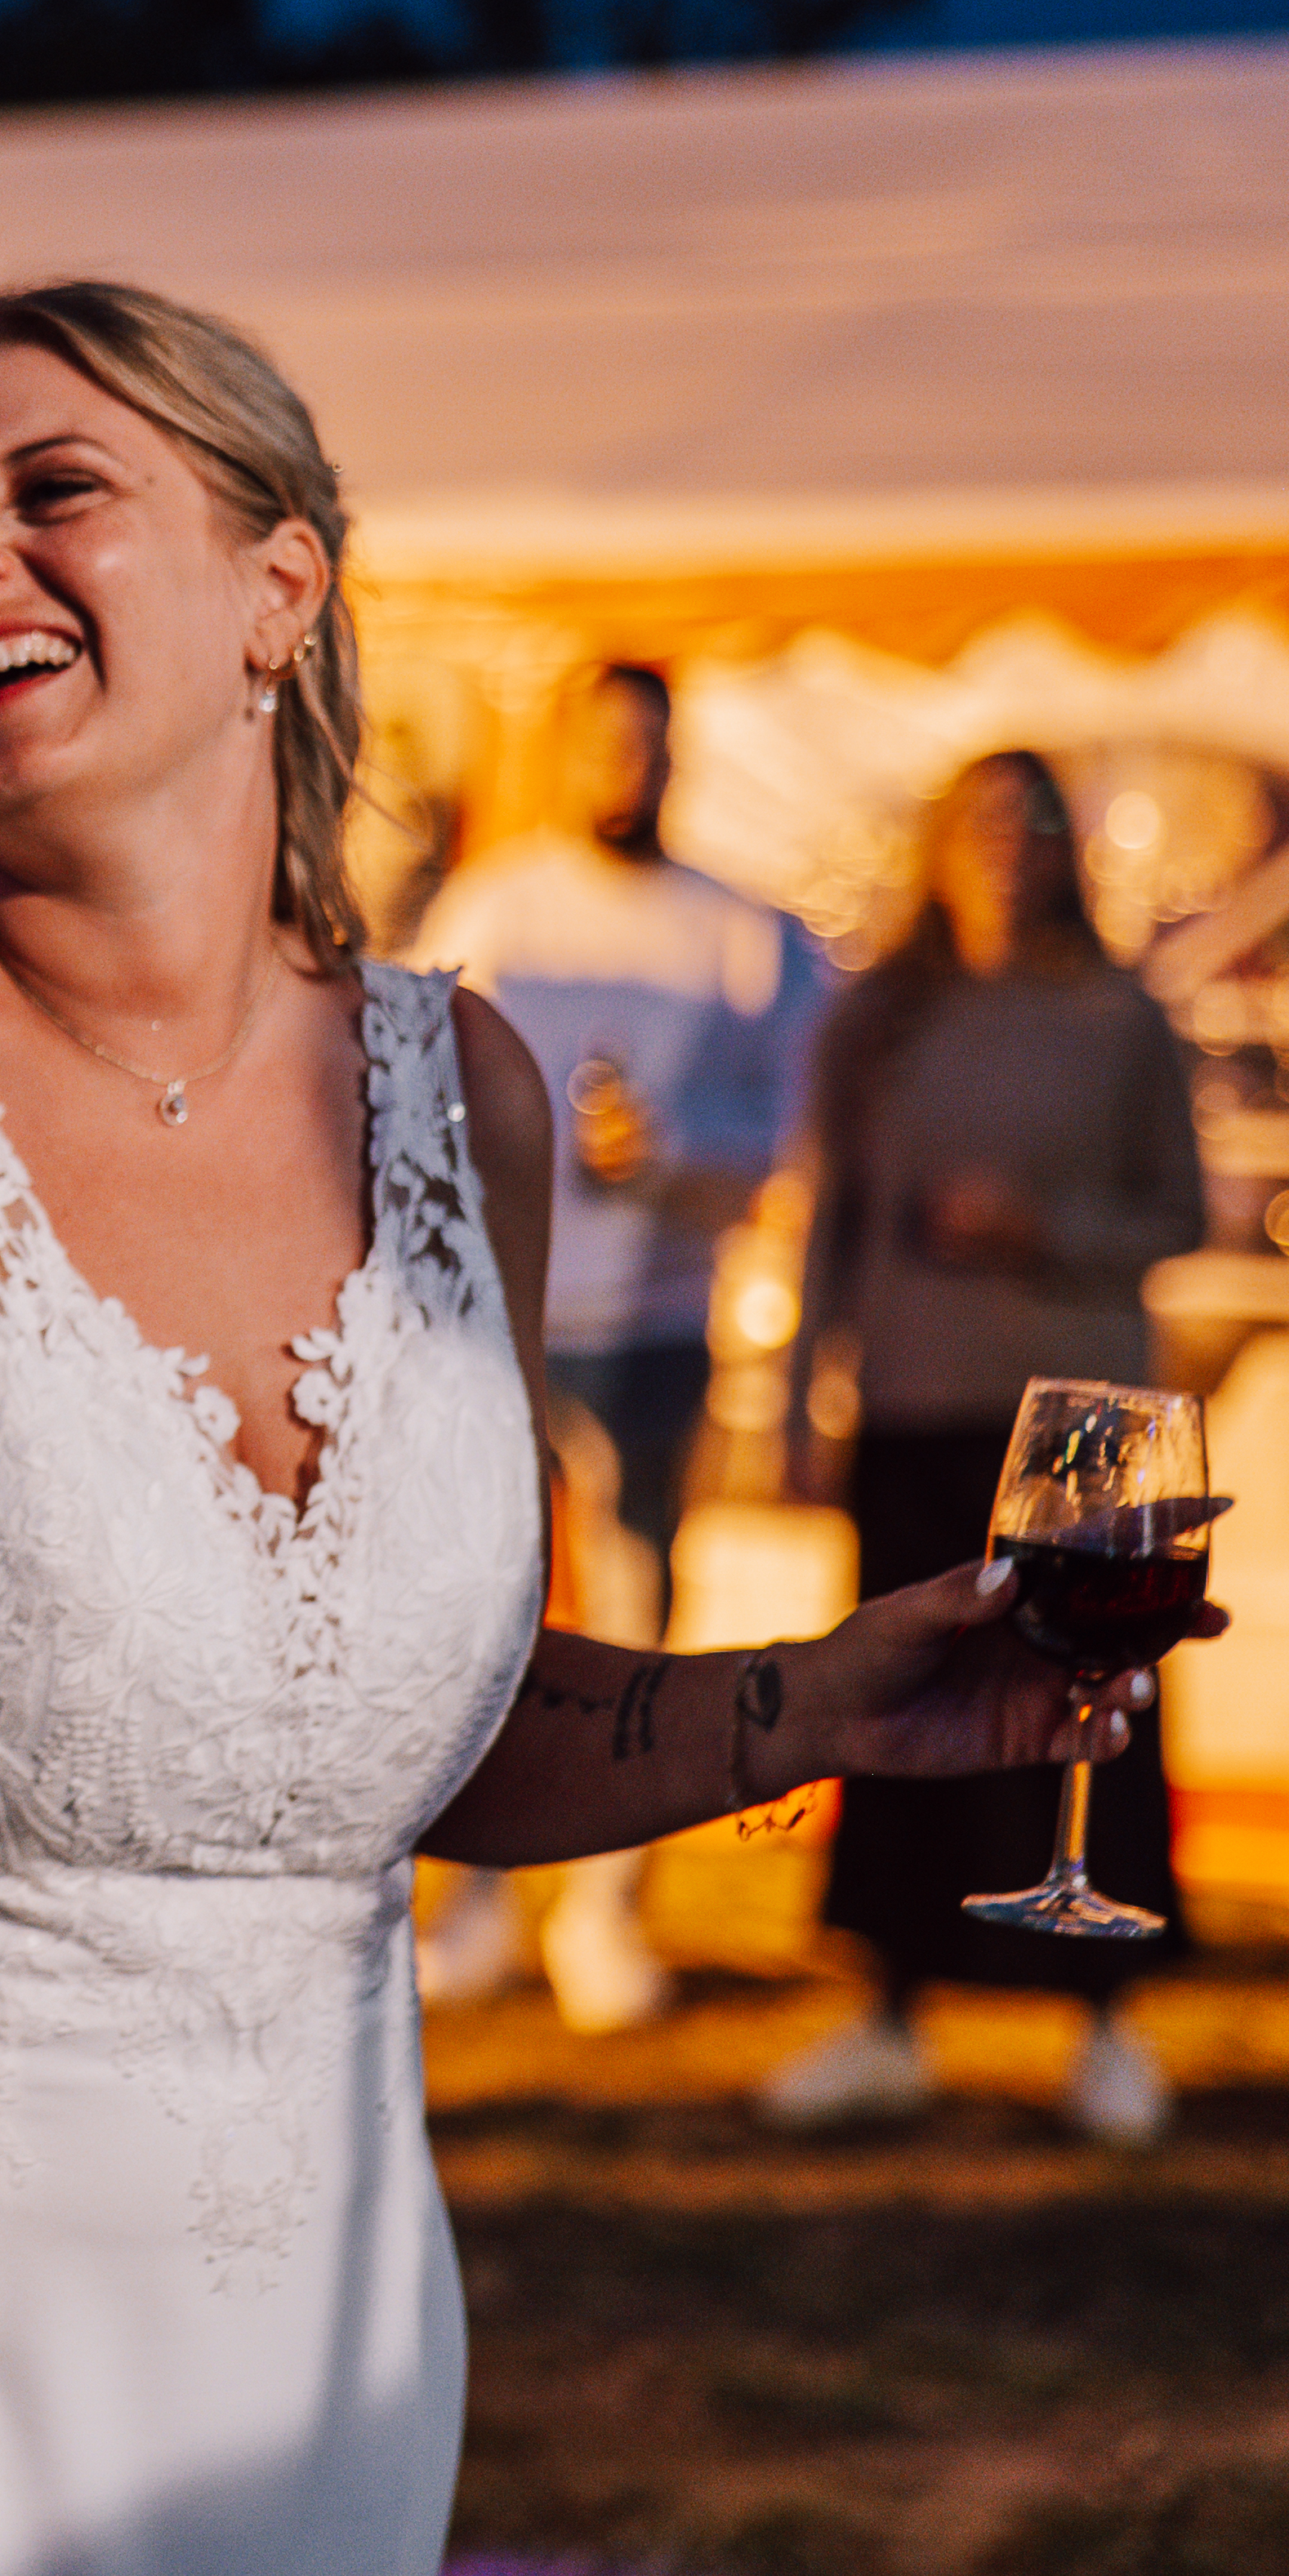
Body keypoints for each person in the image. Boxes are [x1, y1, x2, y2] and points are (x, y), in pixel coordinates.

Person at [0, 282, 1169, 2576]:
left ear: (274, 590)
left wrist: (832, 1696)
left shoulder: (454, 1087)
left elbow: (404, 1736)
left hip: (327, 2343)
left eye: (47, 493)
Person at [760, 748, 1208, 2148]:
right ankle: (888, 2014)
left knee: (1094, 1711)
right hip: (914, 1400)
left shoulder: (1121, 1018)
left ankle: (1104, 2024)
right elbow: (824, 1212)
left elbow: (1181, 1212)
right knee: (902, 1707)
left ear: (1067, 846)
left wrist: (1044, 1234)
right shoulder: (880, 1016)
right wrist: (794, 1397)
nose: (1005, 846)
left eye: (1031, 822)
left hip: (1082, 1424)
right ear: (939, 845)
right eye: (980, 821)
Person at [410, 662, 827, 2030]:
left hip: (652, 1321)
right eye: (600, 742)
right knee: (492, 1612)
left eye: (644, 743)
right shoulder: (500, 910)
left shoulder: (741, 938)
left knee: (639, 1607)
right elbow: (417, 1092)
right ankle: (476, 1893)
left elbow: (781, 1147)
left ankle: (604, 1905)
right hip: (500, 1314)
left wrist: (666, 1161)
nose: (621, 766)